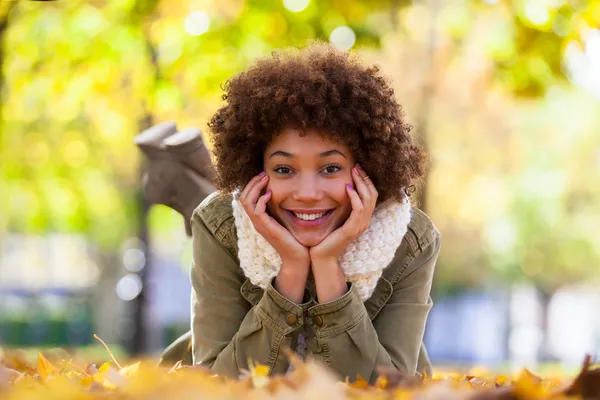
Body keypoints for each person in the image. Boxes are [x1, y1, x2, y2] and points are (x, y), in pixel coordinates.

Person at [162, 42, 441, 383]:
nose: (307, 194)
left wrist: (327, 267)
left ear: (366, 169)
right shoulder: (221, 225)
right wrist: (291, 272)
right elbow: (221, 385)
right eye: (283, 170)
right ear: (255, 169)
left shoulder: (409, 241)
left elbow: (384, 387)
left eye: (330, 169)